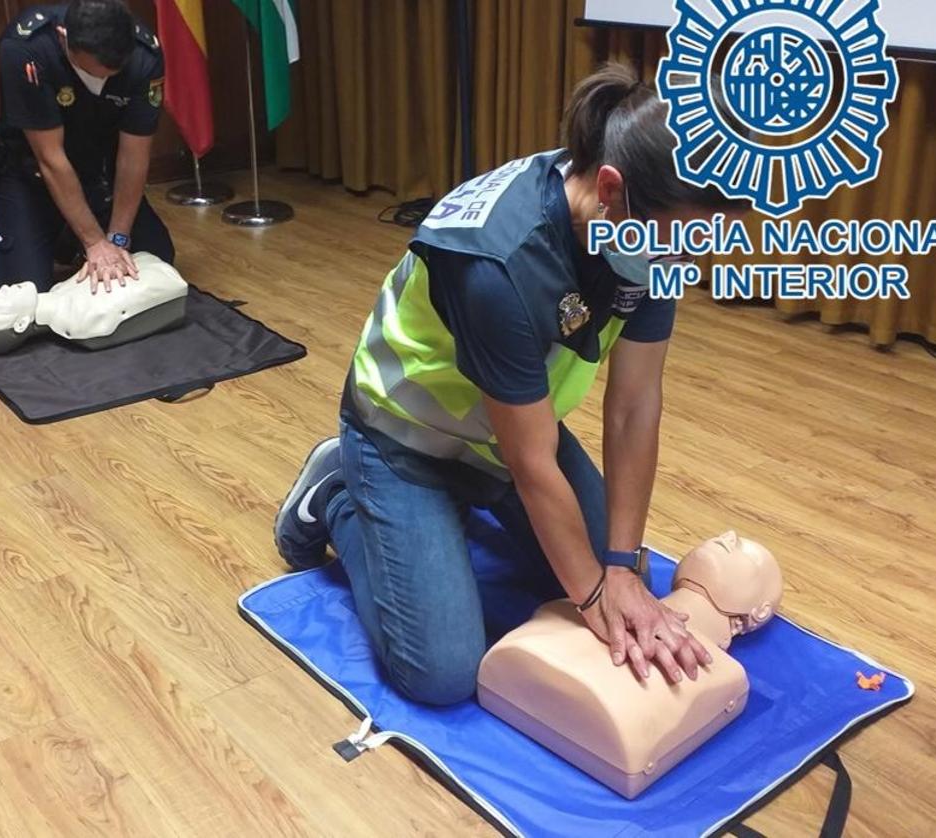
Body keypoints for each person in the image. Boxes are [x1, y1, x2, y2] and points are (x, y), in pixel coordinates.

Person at [273, 64, 750, 706]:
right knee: (441, 672)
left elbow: (634, 409)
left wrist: (620, 565)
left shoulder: (644, 238)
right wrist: (594, 592)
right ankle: (339, 495)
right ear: (611, 190)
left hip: (506, 437)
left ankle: (454, 520)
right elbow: (531, 464)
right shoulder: (500, 261)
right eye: (688, 238)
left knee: (618, 571)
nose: (696, 259)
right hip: (406, 440)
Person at [0, 0, 175, 295]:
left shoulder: (144, 54)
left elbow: (133, 157)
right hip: (32, 174)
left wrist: (116, 240)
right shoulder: (26, 49)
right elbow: (50, 159)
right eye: (94, 72)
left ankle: (72, 235)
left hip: (99, 171)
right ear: (64, 36)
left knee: (156, 261)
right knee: (22, 291)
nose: (102, 81)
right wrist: (93, 242)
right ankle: (66, 237)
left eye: (112, 75)